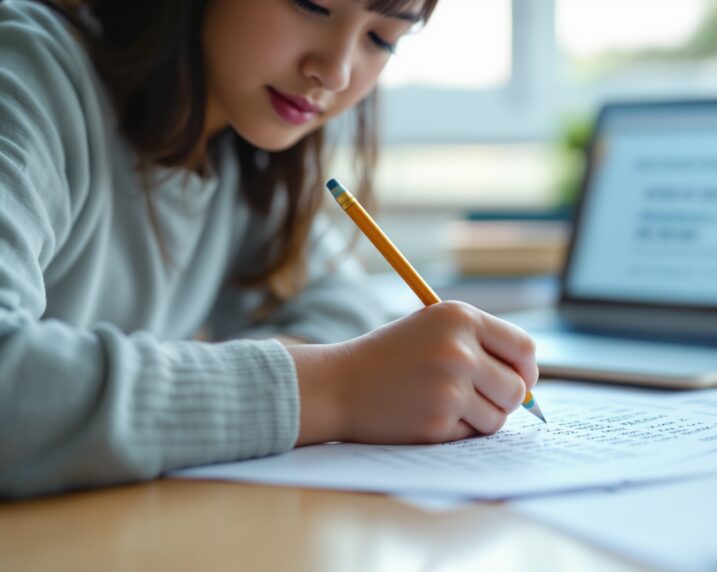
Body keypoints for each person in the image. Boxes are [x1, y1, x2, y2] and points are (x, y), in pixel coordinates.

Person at [0, 0, 538, 499]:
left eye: (381, 38)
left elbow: (345, 308)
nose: (336, 72)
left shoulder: (239, 152)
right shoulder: (24, 73)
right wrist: (335, 389)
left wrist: (204, 390)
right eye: (311, 4)